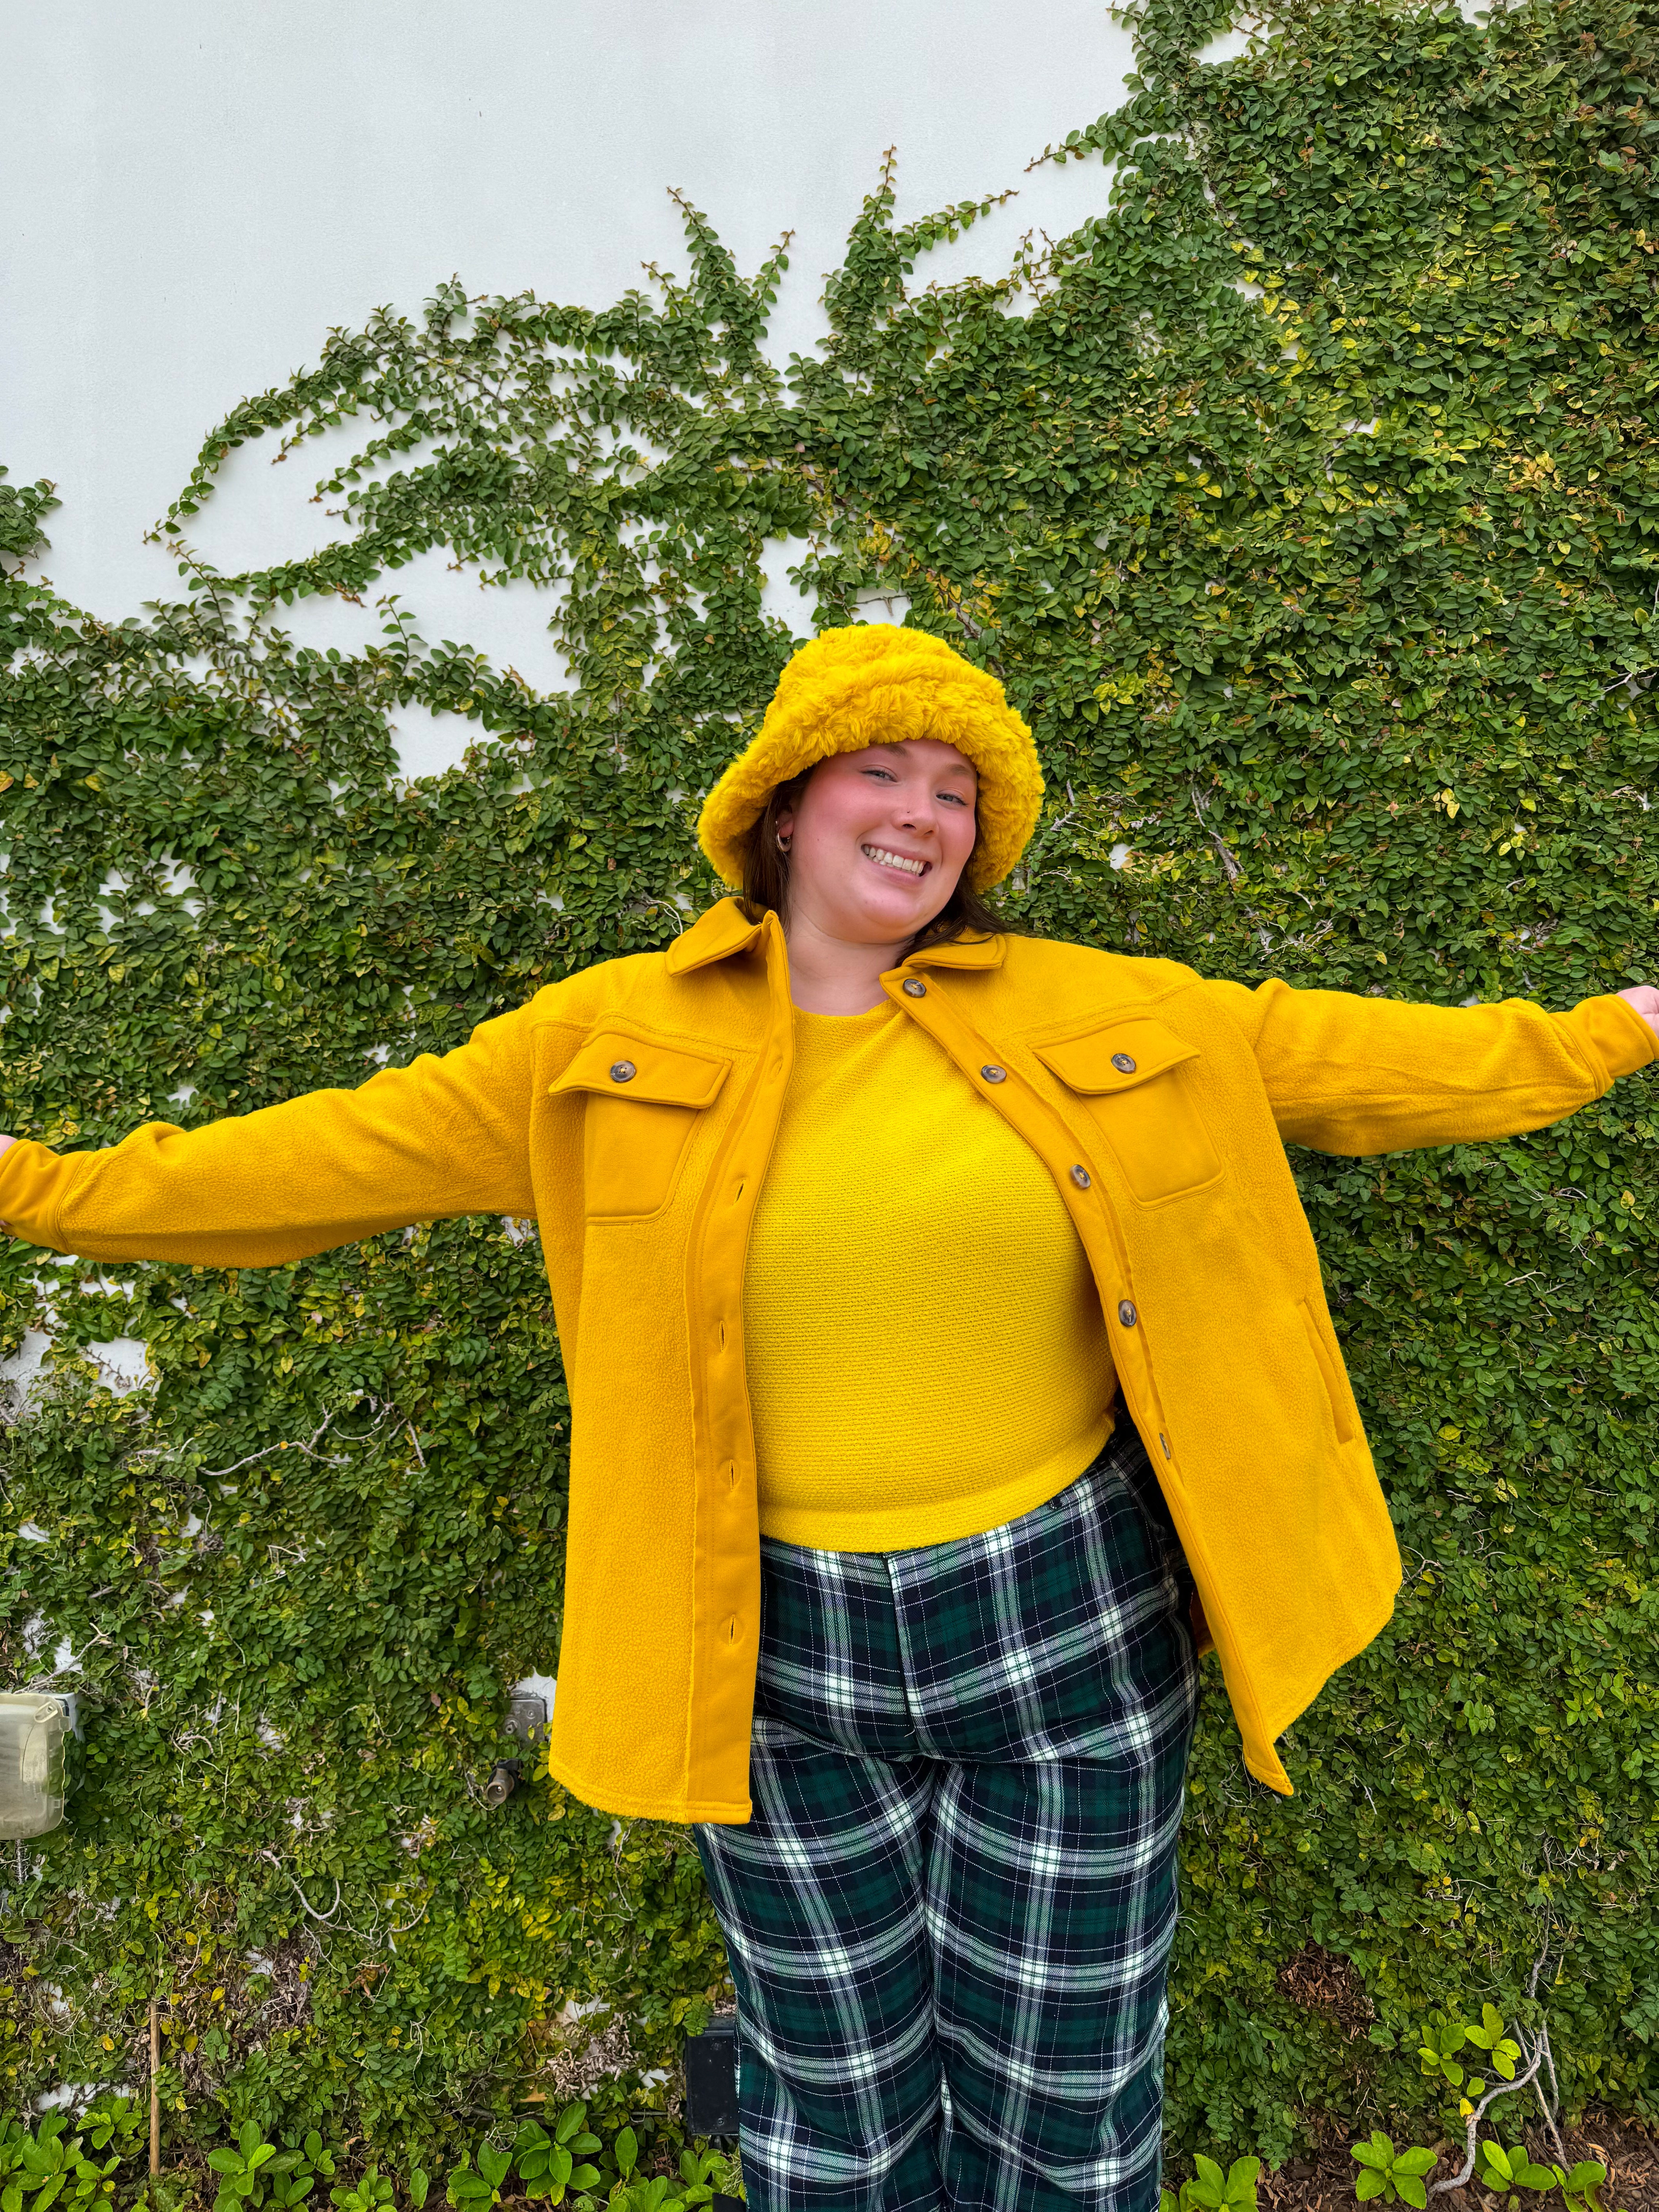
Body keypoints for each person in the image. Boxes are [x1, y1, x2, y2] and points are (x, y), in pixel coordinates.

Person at [1, 622, 1654, 2211]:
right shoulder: (601, 1043)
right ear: (785, 808)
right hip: (770, 1644)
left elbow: (1366, 1061)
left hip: (1063, 1628)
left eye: (958, 789)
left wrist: (1615, 1032)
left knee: (1071, 2101)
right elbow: (302, 1163)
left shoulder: (1099, 1006)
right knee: (832, 2106)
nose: (923, 812)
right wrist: (37, 1189)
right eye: (884, 771)